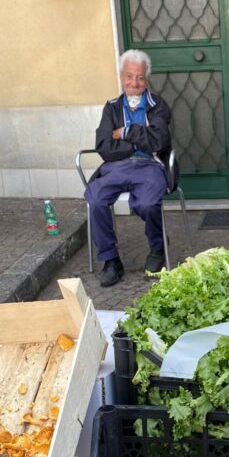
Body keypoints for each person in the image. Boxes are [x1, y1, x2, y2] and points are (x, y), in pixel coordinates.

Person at [84, 50, 172, 286]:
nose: (135, 83)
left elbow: (158, 141)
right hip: (116, 167)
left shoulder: (158, 105)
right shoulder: (112, 107)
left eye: (140, 78)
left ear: (147, 79)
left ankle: (157, 248)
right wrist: (135, 144)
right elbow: (104, 147)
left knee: (147, 203)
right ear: (122, 77)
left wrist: (125, 132)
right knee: (96, 199)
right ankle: (111, 260)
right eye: (130, 77)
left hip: (149, 166)